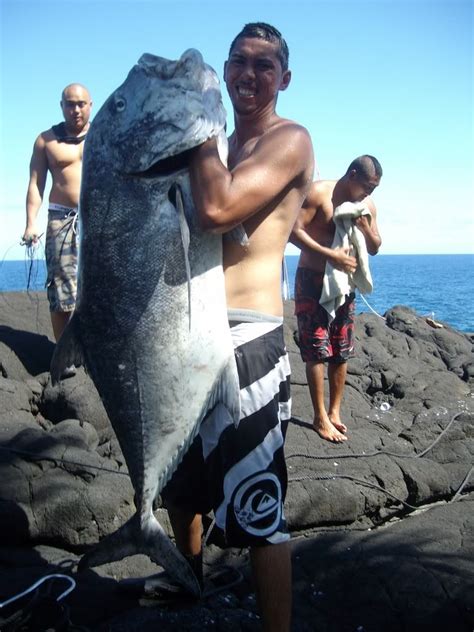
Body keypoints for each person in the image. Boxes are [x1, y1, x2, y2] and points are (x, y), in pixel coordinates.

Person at [161, 23, 314, 632]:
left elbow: (218, 209)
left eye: (264, 65)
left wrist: (197, 131)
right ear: (224, 71)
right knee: (178, 482)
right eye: (238, 63)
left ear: (284, 77)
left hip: (247, 336)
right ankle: (188, 583)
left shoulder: (290, 140)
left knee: (258, 505)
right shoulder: (221, 148)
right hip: (188, 327)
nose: (248, 75)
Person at [290, 156, 382, 443]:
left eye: (374, 188)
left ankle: (335, 412)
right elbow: (293, 231)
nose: (370, 193)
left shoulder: (366, 206)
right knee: (316, 349)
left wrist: (366, 228)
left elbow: (376, 246)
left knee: (341, 350)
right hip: (312, 280)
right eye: (367, 186)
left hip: (343, 286)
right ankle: (319, 417)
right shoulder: (318, 194)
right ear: (351, 175)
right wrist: (331, 255)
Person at [23, 83, 92, 342]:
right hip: (62, 220)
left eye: (81, 104)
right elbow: (35, 185)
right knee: (61, 288)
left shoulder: (103, 135)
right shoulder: (46, 141)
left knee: (100, 286)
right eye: (70, 104)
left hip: (98, 220)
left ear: (90, 106)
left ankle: (94, 351)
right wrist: (31, 224)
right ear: (61, 106)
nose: (76, 110)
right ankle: (63, 353)